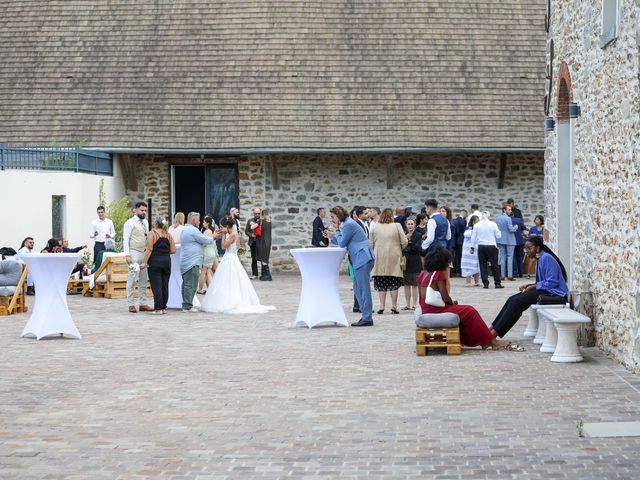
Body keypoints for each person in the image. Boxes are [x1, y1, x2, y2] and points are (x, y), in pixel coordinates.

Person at [416, 248, 511, 350]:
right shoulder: (438, 274)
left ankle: (483, 340)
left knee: (464, 311)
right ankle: (491, 342)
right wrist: (452, 302)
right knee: (470, 311)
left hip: (427, 308)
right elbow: (445, 297)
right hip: (435, 309)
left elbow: (421, 296)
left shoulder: (423, 274)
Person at [490, 236, 568, 339]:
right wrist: (529, 285)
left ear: (538, 248)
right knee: (512, 299)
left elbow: (552, 283)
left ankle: (492, 336)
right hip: (547, 290)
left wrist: (533, 287)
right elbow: (543, 282)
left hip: (556, 293)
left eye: (529, 248)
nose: (526, 251)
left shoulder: (547, 258)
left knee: (517, 302)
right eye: (525, 248)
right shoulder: (541, 258)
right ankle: (490, 330)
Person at [200, 216, 274, 314]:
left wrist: (223, 236)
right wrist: (221, 235)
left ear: (227, 226)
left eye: (222, 227)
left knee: (232, 280)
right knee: (224, 280)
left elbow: (223, 246)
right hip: (228, 257)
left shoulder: (233, 234)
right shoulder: (229, 233)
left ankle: (232, 301)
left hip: (231, 259)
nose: (221, 229)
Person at [324, 206, 375, 326]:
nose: (332, 219)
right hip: (359, 258)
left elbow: (341, 243)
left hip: (362, 257)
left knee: (363, 288)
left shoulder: (347, 225)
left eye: (333, 217)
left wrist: (336, 231)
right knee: (357, 288)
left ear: (338, 216)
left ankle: (367, 317)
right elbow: (342, 241)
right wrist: (332, 236)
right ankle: (365, 315)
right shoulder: (347, 224)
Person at [370, 208, 408, 315]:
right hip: (394, 256)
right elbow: (404, 242)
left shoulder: (375, 226)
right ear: (391, 216)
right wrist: (399, 248)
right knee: (393, 281)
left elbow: (371, 243)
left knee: (381, 281)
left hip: (379, 257)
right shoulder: (397, 226)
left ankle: (382, 306)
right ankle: (394, 306)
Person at [180, 212, 216, 312]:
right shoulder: (193, 230)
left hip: (188, 261)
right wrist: (215, 237)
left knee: (187, 284)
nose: (200, 222)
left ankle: (186, 304)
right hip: (192, 262)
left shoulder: (186, 229)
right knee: (190, 284)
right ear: (193, 220)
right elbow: (204, 240)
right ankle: (187, 306)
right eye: (198, 219)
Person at [141, 216, 176, 315]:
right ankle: (164, 307)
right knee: (165, 285)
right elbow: (173, 250)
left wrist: (144, 262)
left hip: (155, 261)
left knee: (157, 286)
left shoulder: (152, 233)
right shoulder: (168, 235)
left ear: (155, 223)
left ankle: (158, 309)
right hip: (166, 261)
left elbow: (149, 249)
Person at [123, 201, 151, 313]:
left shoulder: (146, 222)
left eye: (145, 210)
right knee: (132, 279)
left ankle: (143, 303)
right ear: (136, 210)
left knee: (144, 279)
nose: (144, 212)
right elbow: (125, 239)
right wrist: (127, 254)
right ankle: (131, 304)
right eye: (142, 210)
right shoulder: (129, 223)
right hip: (134, 252)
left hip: (144, 253)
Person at [469, 211, 503, 289]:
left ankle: (485, 283)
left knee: (483, 265)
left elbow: (473, 237)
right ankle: (497, 283)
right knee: (495, 265)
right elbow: (498, 236)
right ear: (489, 216)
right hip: (491, 246)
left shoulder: (477, 225)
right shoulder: (493, 224)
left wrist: (472, 247)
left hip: (481, 246)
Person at [402, 216, 422, 310]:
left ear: (415, 225)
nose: (410, 226)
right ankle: (407, 304)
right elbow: (401, 247)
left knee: (414, 284)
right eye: (408, 224)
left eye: (412, 224)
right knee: (406, 284)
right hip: (405, 261)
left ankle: (414, 304)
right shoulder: (403, 235)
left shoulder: (418, 235)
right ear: (406, 225)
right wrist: (407, 243)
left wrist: (409, 243)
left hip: (415, 261)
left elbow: (417, 249)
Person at [495, 203, 518, 281]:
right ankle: (510, 275)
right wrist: (516, 227)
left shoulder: (497, 218)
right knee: (510, 257)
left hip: (500, 239)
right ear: (504, 210)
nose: (510, 211)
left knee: (502, 257)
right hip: (509, 239)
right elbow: (511, 229)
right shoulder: (508, 219)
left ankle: (502, 275)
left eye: (510, 209)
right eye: (509, 209)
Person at [198, 215, 219, 294]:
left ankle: (200, 289)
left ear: (207, 223)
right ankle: (210, 288)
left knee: (203, 272)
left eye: (204, 222)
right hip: (211, 252)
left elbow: (204, 242)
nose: (203, 223)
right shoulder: (212, 231)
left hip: (207, 252)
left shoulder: (207, 231)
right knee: (207, 271)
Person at [461, 215, 481, 287]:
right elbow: (467, 234)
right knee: (468, 266)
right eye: (477, 221)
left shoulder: (479, 229)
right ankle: (468, 282)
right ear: (473, 222)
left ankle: (477, 281)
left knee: (476, 265)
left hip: (476, 250)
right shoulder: (469, 229)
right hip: (468, 251)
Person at [245, 207, 262, 279]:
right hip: (253, 242)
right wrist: (251, 235)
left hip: (261, 242)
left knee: (262, 258)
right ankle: (255, 274)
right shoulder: (250, 221)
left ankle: (263, 273)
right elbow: (246, 231)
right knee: (254, 259)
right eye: (256, 214)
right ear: (253, 213)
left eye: (258, 213)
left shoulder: (262, 221)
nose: (257, 215)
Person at [256, 208, 272, 281]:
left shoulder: (261, 221)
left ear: (263, 214)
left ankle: (268, 275)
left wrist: (252, 224)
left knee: (264, 258)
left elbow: (252, 227)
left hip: (263, 242)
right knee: (265, 257)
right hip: (268, 241)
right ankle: (264, 274)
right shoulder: (269, 222)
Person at [452, 210, 468, 277]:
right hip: (462, 240)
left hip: (456, 241)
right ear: (464, 214)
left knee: (457, 257)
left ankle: (456, 271)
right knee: (462, 256)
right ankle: (462, 271)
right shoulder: (463, 222)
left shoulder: (454, 220)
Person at [511, 212, 526, 278]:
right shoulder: (518, 220)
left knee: (513, 257)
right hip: (520, 241)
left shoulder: (508, 221)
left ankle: (515, 273)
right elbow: (523, 227)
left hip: (512, 241)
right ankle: (521, 273)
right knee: (520, 257)